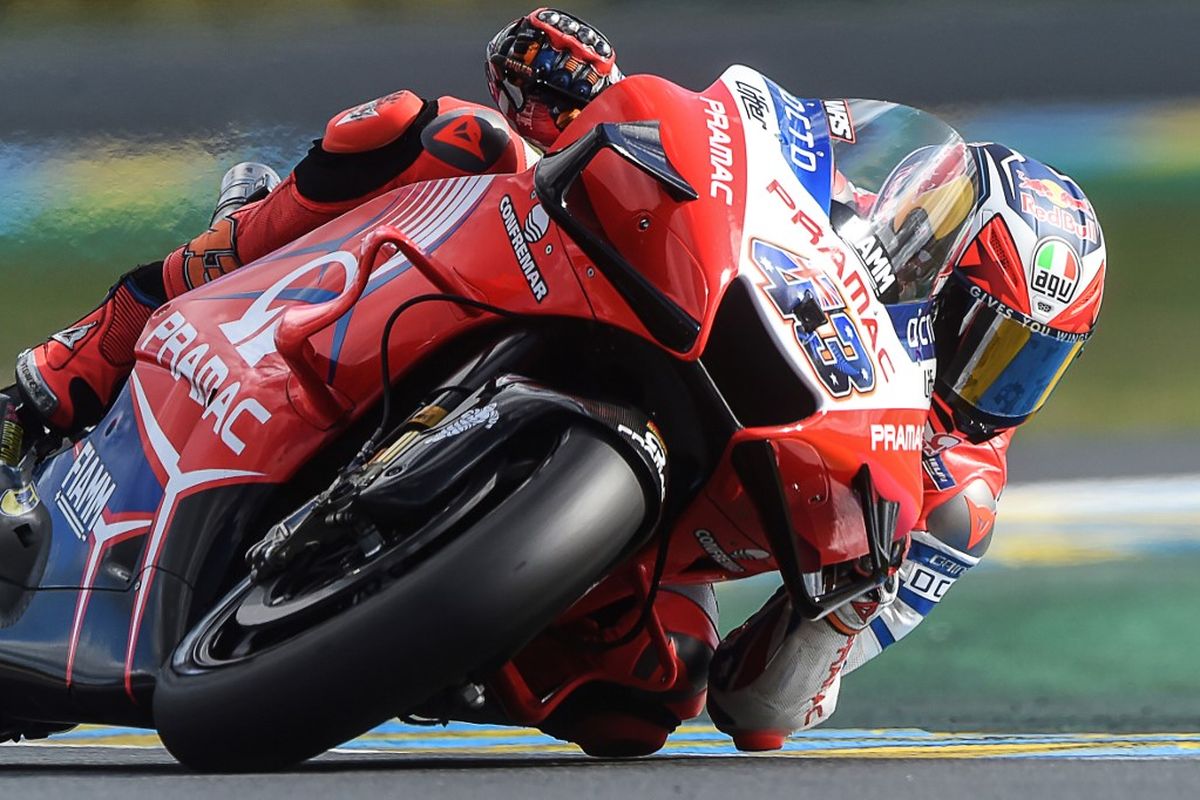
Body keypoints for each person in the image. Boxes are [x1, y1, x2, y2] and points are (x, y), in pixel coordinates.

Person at [8, 6, 621, 439]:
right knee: (431, 133)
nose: (555, 102)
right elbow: (371, 133)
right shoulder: (480, 139)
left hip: (521, 357)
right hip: (361, 301)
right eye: (544, 81)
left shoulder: (628, 188)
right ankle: (61, 375)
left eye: (569, 85)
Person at [705, 143, 1107, 750]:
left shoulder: (958, 502)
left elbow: (768, 709)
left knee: (643, 694)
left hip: (704, 540)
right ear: (940, 272)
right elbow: (725, 138)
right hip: (686, 344)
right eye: (982, 336)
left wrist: (847, 609)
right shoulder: (848, 210)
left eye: (1033, 358)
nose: (993, 384)